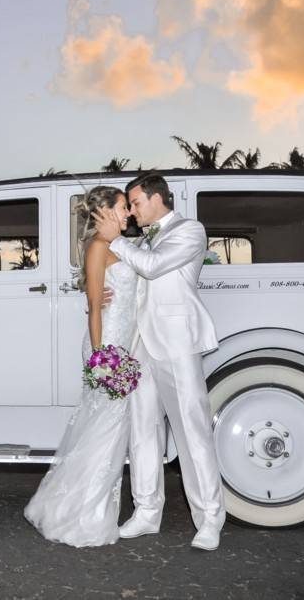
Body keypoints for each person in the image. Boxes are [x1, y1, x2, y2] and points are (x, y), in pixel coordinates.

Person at [92, 173, 225, 551]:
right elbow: (129, 277)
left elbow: (153, 266)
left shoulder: (190, 230)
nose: (131, 212)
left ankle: (210, 519)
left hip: (177, 344)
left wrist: (116, 239)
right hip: (141, 346)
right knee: (143, 430)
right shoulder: (143, 238)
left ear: (156, 198)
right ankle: (147, 512)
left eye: (135, 203)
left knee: (191, 432)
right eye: (129, 206)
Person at [24, 186, 137, 547]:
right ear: (103, 211)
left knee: (109, 430)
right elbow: (94, 308)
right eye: (122, 207)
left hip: (124, 342)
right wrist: (102, 358)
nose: (128, 213)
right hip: (108, 348)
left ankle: (88, 508)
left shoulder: (118, 247)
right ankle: (79, 514)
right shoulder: (99, 248)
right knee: (104, 429)